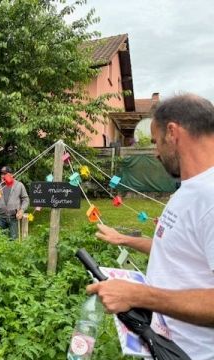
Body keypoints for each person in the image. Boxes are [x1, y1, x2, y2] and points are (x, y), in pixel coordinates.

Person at [87, 94, 214, 360]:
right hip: (166, 347)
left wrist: (140, 296)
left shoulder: (210, 196)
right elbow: (180, 251)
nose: (155, 152)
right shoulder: (188, 190)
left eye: (155, 142)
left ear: (172, 132)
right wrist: (124, 239)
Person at [0, 166, 29, 239]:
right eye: (1, 174)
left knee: (13, 239)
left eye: (5, 173)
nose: (3, 176)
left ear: (11, 175)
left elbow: (26, 199)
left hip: (14, 217)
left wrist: (22, 210)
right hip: (0, 217)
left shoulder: (19, 185)